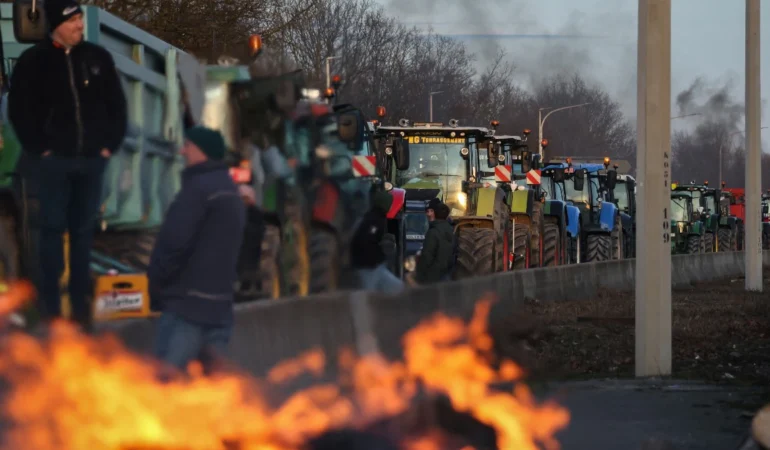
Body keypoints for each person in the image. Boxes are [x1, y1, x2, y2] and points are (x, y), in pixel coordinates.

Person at [7, 0, 127, 330]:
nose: (80, 24)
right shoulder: (34, 62)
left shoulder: (97, 59)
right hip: (53, 163)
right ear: (57, 23)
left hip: (91, 162)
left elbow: (117, 107)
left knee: (83, 235)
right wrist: (40, 149)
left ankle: (80, 311)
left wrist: (107, 147)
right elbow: (19, 110)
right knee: (51, 232)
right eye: (73, 19)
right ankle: (51, 311)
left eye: (79, 19)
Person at [149, 126, 246, 372]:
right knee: (211, 395)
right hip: (220, 311)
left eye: (188, 146)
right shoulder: (231, 192)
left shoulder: (197, 190)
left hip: (186, 310)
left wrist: (157, 286)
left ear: (202, 152)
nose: (183, 151)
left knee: (165, 390)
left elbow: (172, 243)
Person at [350, 191, 405, 294]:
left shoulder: (375, 218)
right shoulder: (373, 221)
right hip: (368, 268)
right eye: (390, 203)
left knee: (398, 288)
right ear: (384, 204)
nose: (391, 206)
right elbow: (365, 241)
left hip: (377, 267)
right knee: (367, 297)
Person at [414, 200, 455, 284]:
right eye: (427, 211)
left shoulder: (433, 232)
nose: (428, 214)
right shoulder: (452, 230)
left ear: (436, 213)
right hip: (447, 277)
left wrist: (420, 276)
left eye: (431, 211)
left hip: (433, 278)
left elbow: (427, 256)